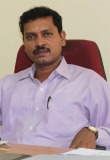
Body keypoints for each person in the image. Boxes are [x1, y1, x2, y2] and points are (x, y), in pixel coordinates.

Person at [0, 6, 110, 150]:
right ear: (25, 44)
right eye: (31, 37)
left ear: (62, 38)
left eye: (47, 34)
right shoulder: (7, 84)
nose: (39, 43)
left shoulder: (90, 82)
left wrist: (93, 132)